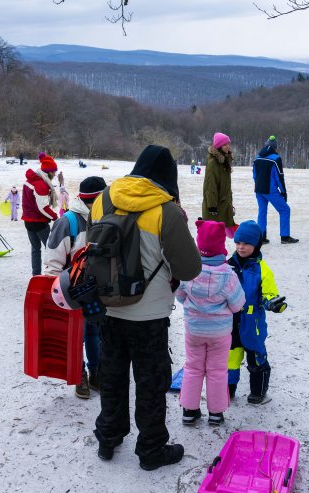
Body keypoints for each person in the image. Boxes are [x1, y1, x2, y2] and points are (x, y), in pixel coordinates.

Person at [92, 145, 201, 471]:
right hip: (149, 315)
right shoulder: (165, 211)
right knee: (151, 382)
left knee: (111, 376)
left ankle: (108, 438)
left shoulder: (103, 199)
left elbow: (93, 248)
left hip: (108, 309)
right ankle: (151, 449)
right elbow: (189, 268)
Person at [175, 219, 246, 427]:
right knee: (217, 370)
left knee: (193, 367)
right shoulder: (228, 275)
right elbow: (237, 304)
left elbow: (179, 296)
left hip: (194, 330)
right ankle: (216, 413)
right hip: (220, 333)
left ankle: (189, 410)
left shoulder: (189, 270)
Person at [43, 176, 108, 399]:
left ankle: (96, 372)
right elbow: (53, 259)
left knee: (95, 332)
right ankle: (79, 373)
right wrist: (55, 288)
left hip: (97, 290)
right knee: (75, 335)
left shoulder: (106, 219)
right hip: (73, 291)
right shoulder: (68, 222)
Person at [226, 221, 287, 404]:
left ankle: (258, 393)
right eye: (238, 243)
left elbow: (268, 294)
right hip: (231, 323)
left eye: (246, 243)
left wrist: (272, 303)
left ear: (256, 245)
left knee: (256, 359)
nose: (241, 247)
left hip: (253, 325)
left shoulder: (262, 269)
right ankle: (227, 392)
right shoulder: (228, 266)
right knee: (230, 360)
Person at [252, 135, 298, 244]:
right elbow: (279, 177)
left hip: (259, 190)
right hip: (270, 191)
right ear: (274, 147)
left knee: (262, 212)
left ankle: (262, 237)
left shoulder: (257, 157)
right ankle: (285, 237)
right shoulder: (276, 159)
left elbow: (254, 175)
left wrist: (258, 185)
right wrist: (283, 191)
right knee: (285, 210)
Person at [21, 153, 60, 276]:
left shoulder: (32, 180)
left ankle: (36, 275)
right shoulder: (41, 185)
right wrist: (55, 217)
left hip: (28, 221)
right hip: (38, 222)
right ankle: (51, 274)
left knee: (35, 249)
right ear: (47, 172)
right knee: (51, 250)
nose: (54, 174)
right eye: (53, 171)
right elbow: (42, 207)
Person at [202, 132, 236, 235]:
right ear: (219, 146)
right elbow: (210, 186)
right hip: (215, 206)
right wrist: (212, 206)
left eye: (228, 144)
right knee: (214, 234)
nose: (227, 146)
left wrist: (230, 204)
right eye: (225, 144)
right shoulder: (213, 163)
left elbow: (226, 186)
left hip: (224, 203)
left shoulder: (225, 161)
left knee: (221, 234)